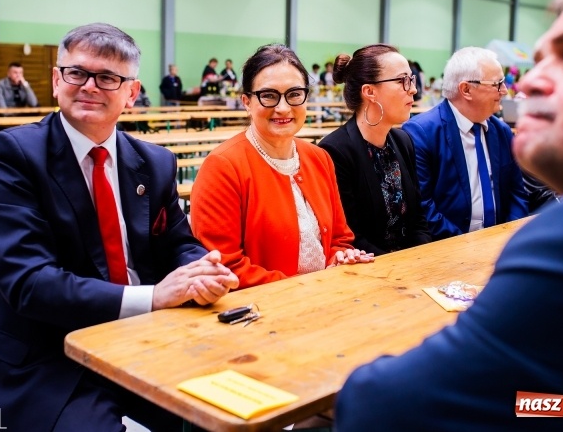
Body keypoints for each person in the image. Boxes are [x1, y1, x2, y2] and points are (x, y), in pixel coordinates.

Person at [335, 0, 563, 430]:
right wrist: (555, 404)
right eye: (540, 59)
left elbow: (383, 405)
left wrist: (548, 403)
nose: (529, 84)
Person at [0, 23, 239, 432]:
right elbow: (29, 283)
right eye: (77, 73)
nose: (89, 86)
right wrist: (153, 296)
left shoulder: (154, 162)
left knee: (236, 411)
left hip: (151, 339)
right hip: (51, 352)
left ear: (131, 94)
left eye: (107, 78)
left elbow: (178, 243)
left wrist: (202, 270)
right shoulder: (11, 156)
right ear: (56, 80)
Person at [190, 44, 373, 289]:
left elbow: (340, 238)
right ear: (246, 101)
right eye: (269, 95)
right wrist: (307, 288)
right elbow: (225, 267)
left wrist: (340, 257)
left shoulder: (319, 158)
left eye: (295, 94)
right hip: (261, 312)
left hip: (325, 299)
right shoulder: (222, 167)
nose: (283, 107)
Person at [402, 47, 528, 240]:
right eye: (497, 84)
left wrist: (509, 236)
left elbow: (517, 193)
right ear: (466, 89)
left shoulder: (501, 131)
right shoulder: (422, 133)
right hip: (446, 247)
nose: (504, 91)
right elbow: (423, 206)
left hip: (500, 243)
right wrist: (465, 246)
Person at [319, 44, 431, 254]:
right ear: (369, 91)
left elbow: (418, 220)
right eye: (402, 81)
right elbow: (351, 237)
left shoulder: (403, 141)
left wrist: (421, 259)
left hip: (412, 266)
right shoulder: (335, 151)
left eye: (412, 79)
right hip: (369, 270)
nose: (413, 89)